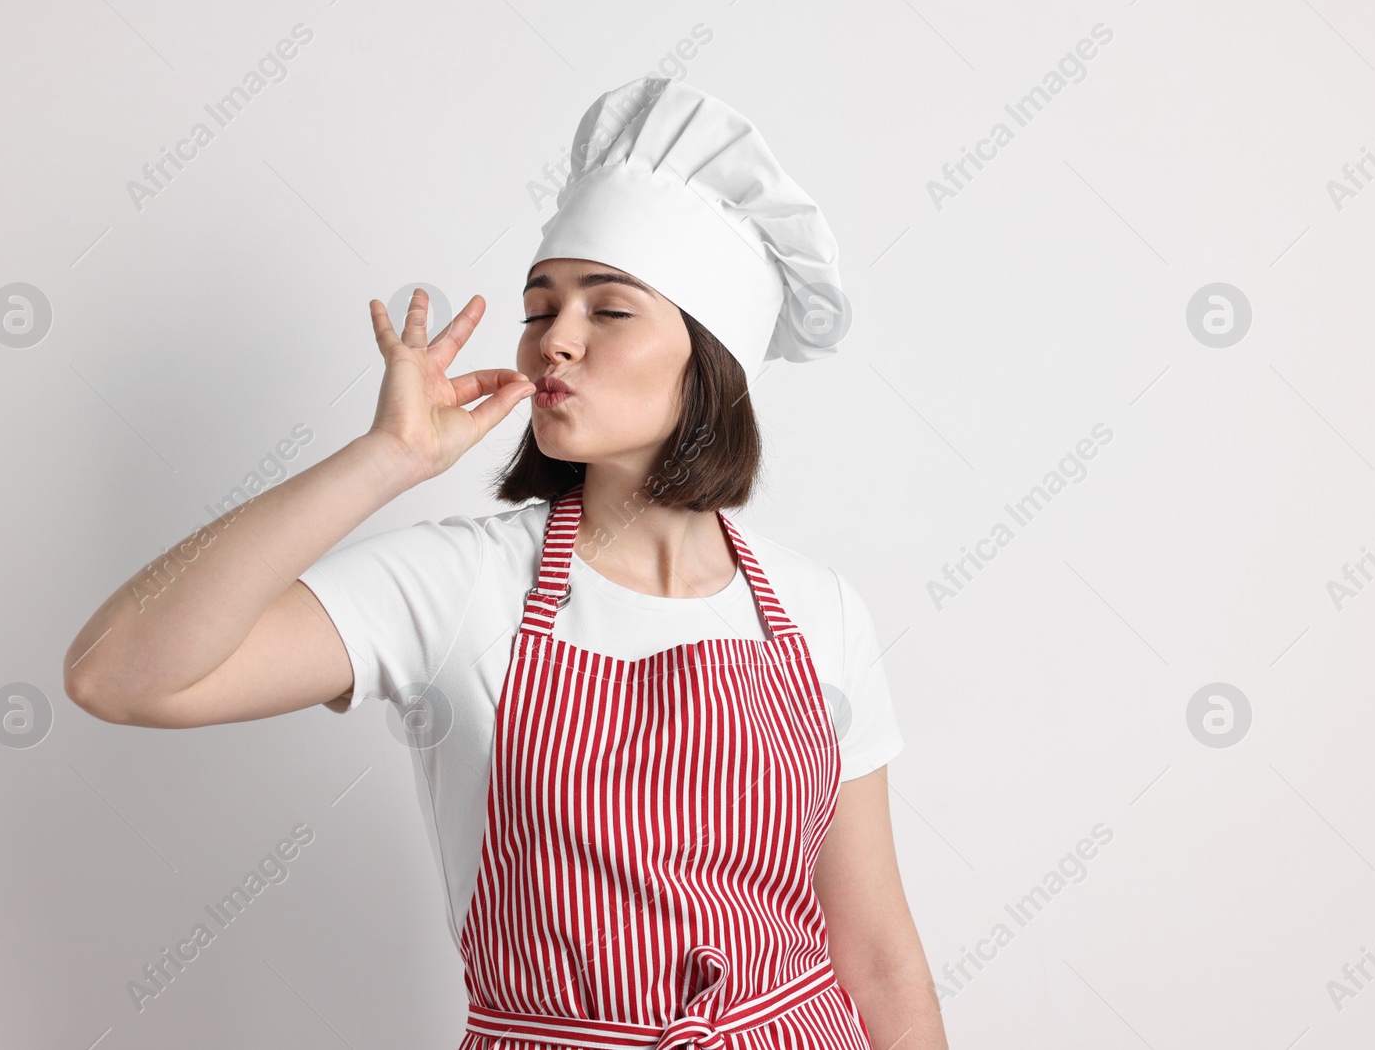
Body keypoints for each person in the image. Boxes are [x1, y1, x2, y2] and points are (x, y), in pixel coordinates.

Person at [64, 76, 947, 1049]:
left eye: (609, 310)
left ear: (708, 358)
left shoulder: (820, 610)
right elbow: (119, 672)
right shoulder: (456, 586)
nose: (553, 338)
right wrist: (384, 460)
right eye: (540, 306)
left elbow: (876, 957)